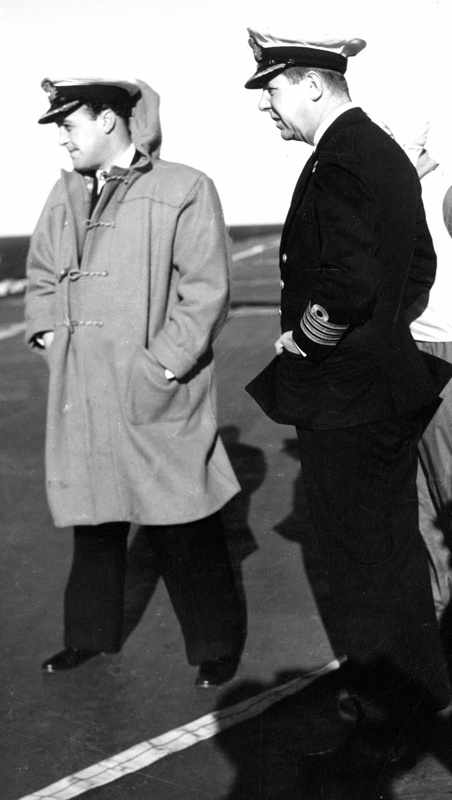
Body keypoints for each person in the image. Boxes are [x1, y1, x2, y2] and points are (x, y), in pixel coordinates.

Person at [243, 28, 452, 764]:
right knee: (393, 553)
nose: (266, 106)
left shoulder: (340, 160)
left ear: (310, 83)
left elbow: (347, 282)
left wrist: (309, 338)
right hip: (386, 386)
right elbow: (418, 265)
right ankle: (422, 701)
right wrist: (384, 338)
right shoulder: (383, 154)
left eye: (271, 89)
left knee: (361, 566)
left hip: (345, 398)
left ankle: (383, 723)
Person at [25, 77, 244, 688]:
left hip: (155, 387)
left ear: (108, 121)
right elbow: (43, 269)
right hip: (83, 384)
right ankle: (88, 638)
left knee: (183, 522)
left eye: (69, 125)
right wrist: (47, 334)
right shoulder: (64, 190)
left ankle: (216, 644)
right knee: (94, 521)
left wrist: (164, 367)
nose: (62, 139)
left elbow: (206, 291)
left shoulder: (185, 187)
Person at [403, 117, 452, 622]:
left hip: (443, 350)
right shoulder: (404, 191)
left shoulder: (440, 192)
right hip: (413, 353)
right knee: (422, 506)